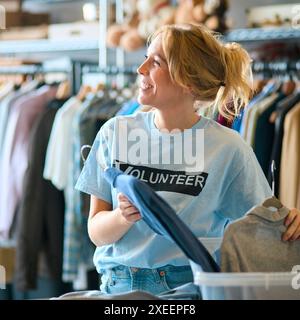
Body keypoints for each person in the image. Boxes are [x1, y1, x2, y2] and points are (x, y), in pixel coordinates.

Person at [75, 23, 300, 295]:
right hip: (117, 285)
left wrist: (290, 222)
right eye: (145, 57)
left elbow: (265, 229)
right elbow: (96, 232)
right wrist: (123, 217)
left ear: (188, 80)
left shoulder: (228, 148)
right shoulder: (114, 132)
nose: (141, 68)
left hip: (187, 288)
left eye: (155, 61)